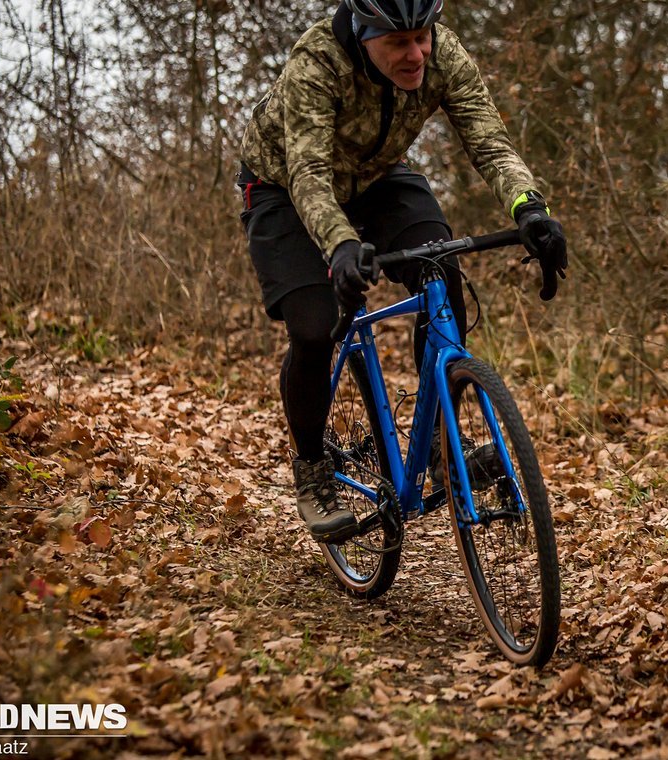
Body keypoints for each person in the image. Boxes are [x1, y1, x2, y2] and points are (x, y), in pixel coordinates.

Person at [236, 0, 568, 544]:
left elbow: (489, 140)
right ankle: (313, 470)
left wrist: (530, 208)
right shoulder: (317, 63)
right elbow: (310, 171)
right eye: (398, 43)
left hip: (379, 177)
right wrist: (341, 245)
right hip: (284, 188)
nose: (416, 53)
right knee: (315, 326)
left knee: (442, 272)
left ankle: (441, 446)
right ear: (364, 36)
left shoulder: (443, 54)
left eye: (423, 37)